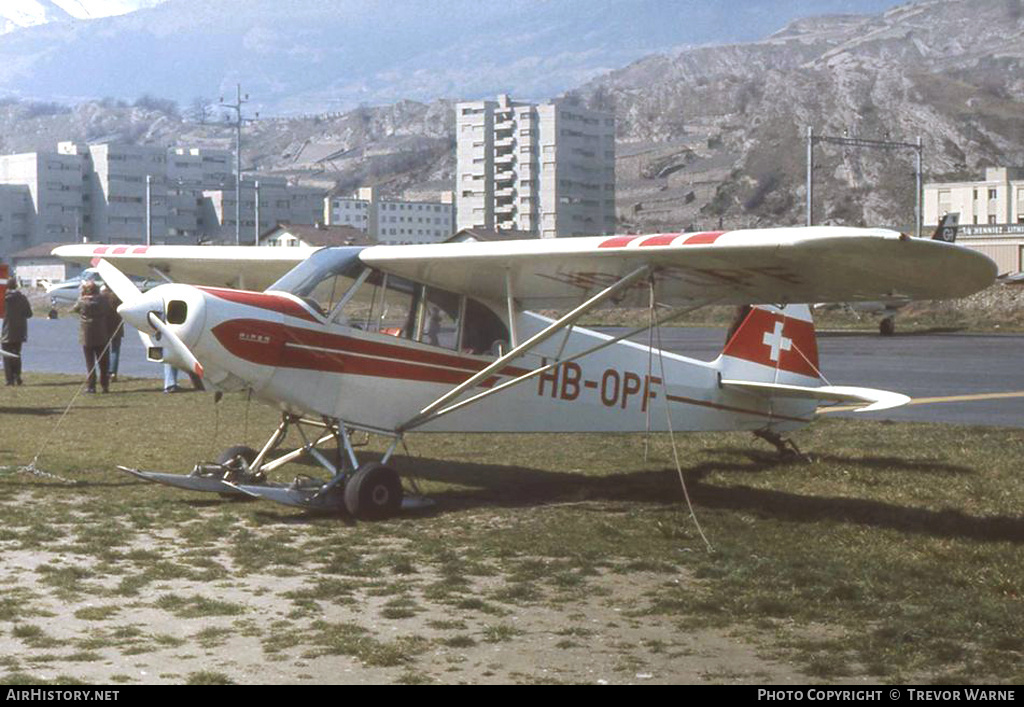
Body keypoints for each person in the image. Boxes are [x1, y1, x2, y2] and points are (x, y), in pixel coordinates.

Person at [71, 280, 112, 393]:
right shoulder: (103, 300)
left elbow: (73, 309)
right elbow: (108, 310)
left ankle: (91, 386)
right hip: (101, 332)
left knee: (90, 362)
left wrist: (81, 296)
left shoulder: (82, 301)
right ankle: (105, 385)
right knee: (104, 362)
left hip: (86, 334)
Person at [2, 277, 32, 386]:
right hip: (19, 331)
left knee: (7, 356)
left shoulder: (4, 298)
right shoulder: (22, 298)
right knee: (16, 354)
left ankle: (9, 380)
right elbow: (29, 314)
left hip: (7, 331)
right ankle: (17, 376)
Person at [102, 285, 124, 382]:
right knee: (115, 351)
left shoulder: (102, 297)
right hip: (117, 326)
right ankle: (113, 372)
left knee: (104, 351)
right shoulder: (119, 297)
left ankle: (105, 372)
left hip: (104, 327)